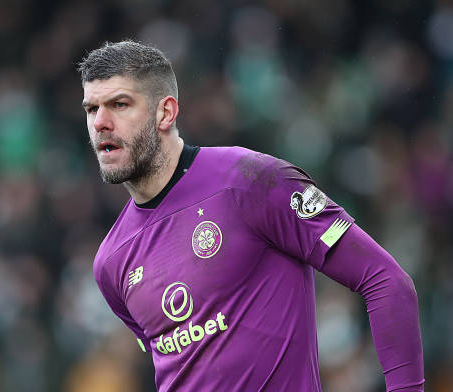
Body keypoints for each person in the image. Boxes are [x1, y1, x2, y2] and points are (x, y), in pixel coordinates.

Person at [78, 40, 424, 392]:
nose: (101, 123)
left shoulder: (251, 181)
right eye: (92, 109)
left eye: (119, 105)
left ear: (165, 113)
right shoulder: (111, 262)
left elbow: (385, 280)